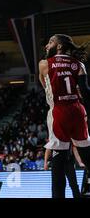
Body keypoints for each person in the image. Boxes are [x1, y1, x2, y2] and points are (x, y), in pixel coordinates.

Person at [39, 34, 90, 198]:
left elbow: (44, 84)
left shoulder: (44, 64)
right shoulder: (79, 64)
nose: (47, 46)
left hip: (58, 112)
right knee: (86, 155)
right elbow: (86, 92)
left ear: (59, 46)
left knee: (58, 163)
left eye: (50, 42)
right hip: (77, 110)